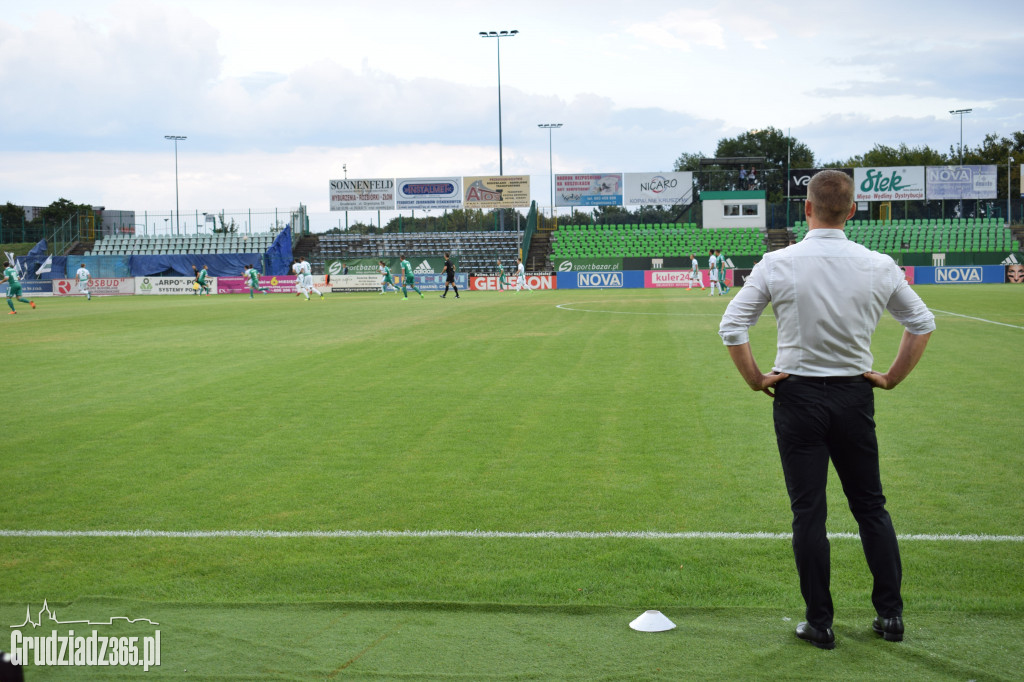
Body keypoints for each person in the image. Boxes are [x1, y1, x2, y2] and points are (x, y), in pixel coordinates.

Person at [718, 169, 935, 650]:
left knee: (809, 513)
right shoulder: (878, 264)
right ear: (852, 210)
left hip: (797, 397)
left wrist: (756, 379)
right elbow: (921, 322)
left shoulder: (778, 263)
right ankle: (890, 617)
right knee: (871, 507)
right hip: (854, 395)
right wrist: (891, 377)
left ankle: (820, 623)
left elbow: (732, 326)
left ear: (807, 208)